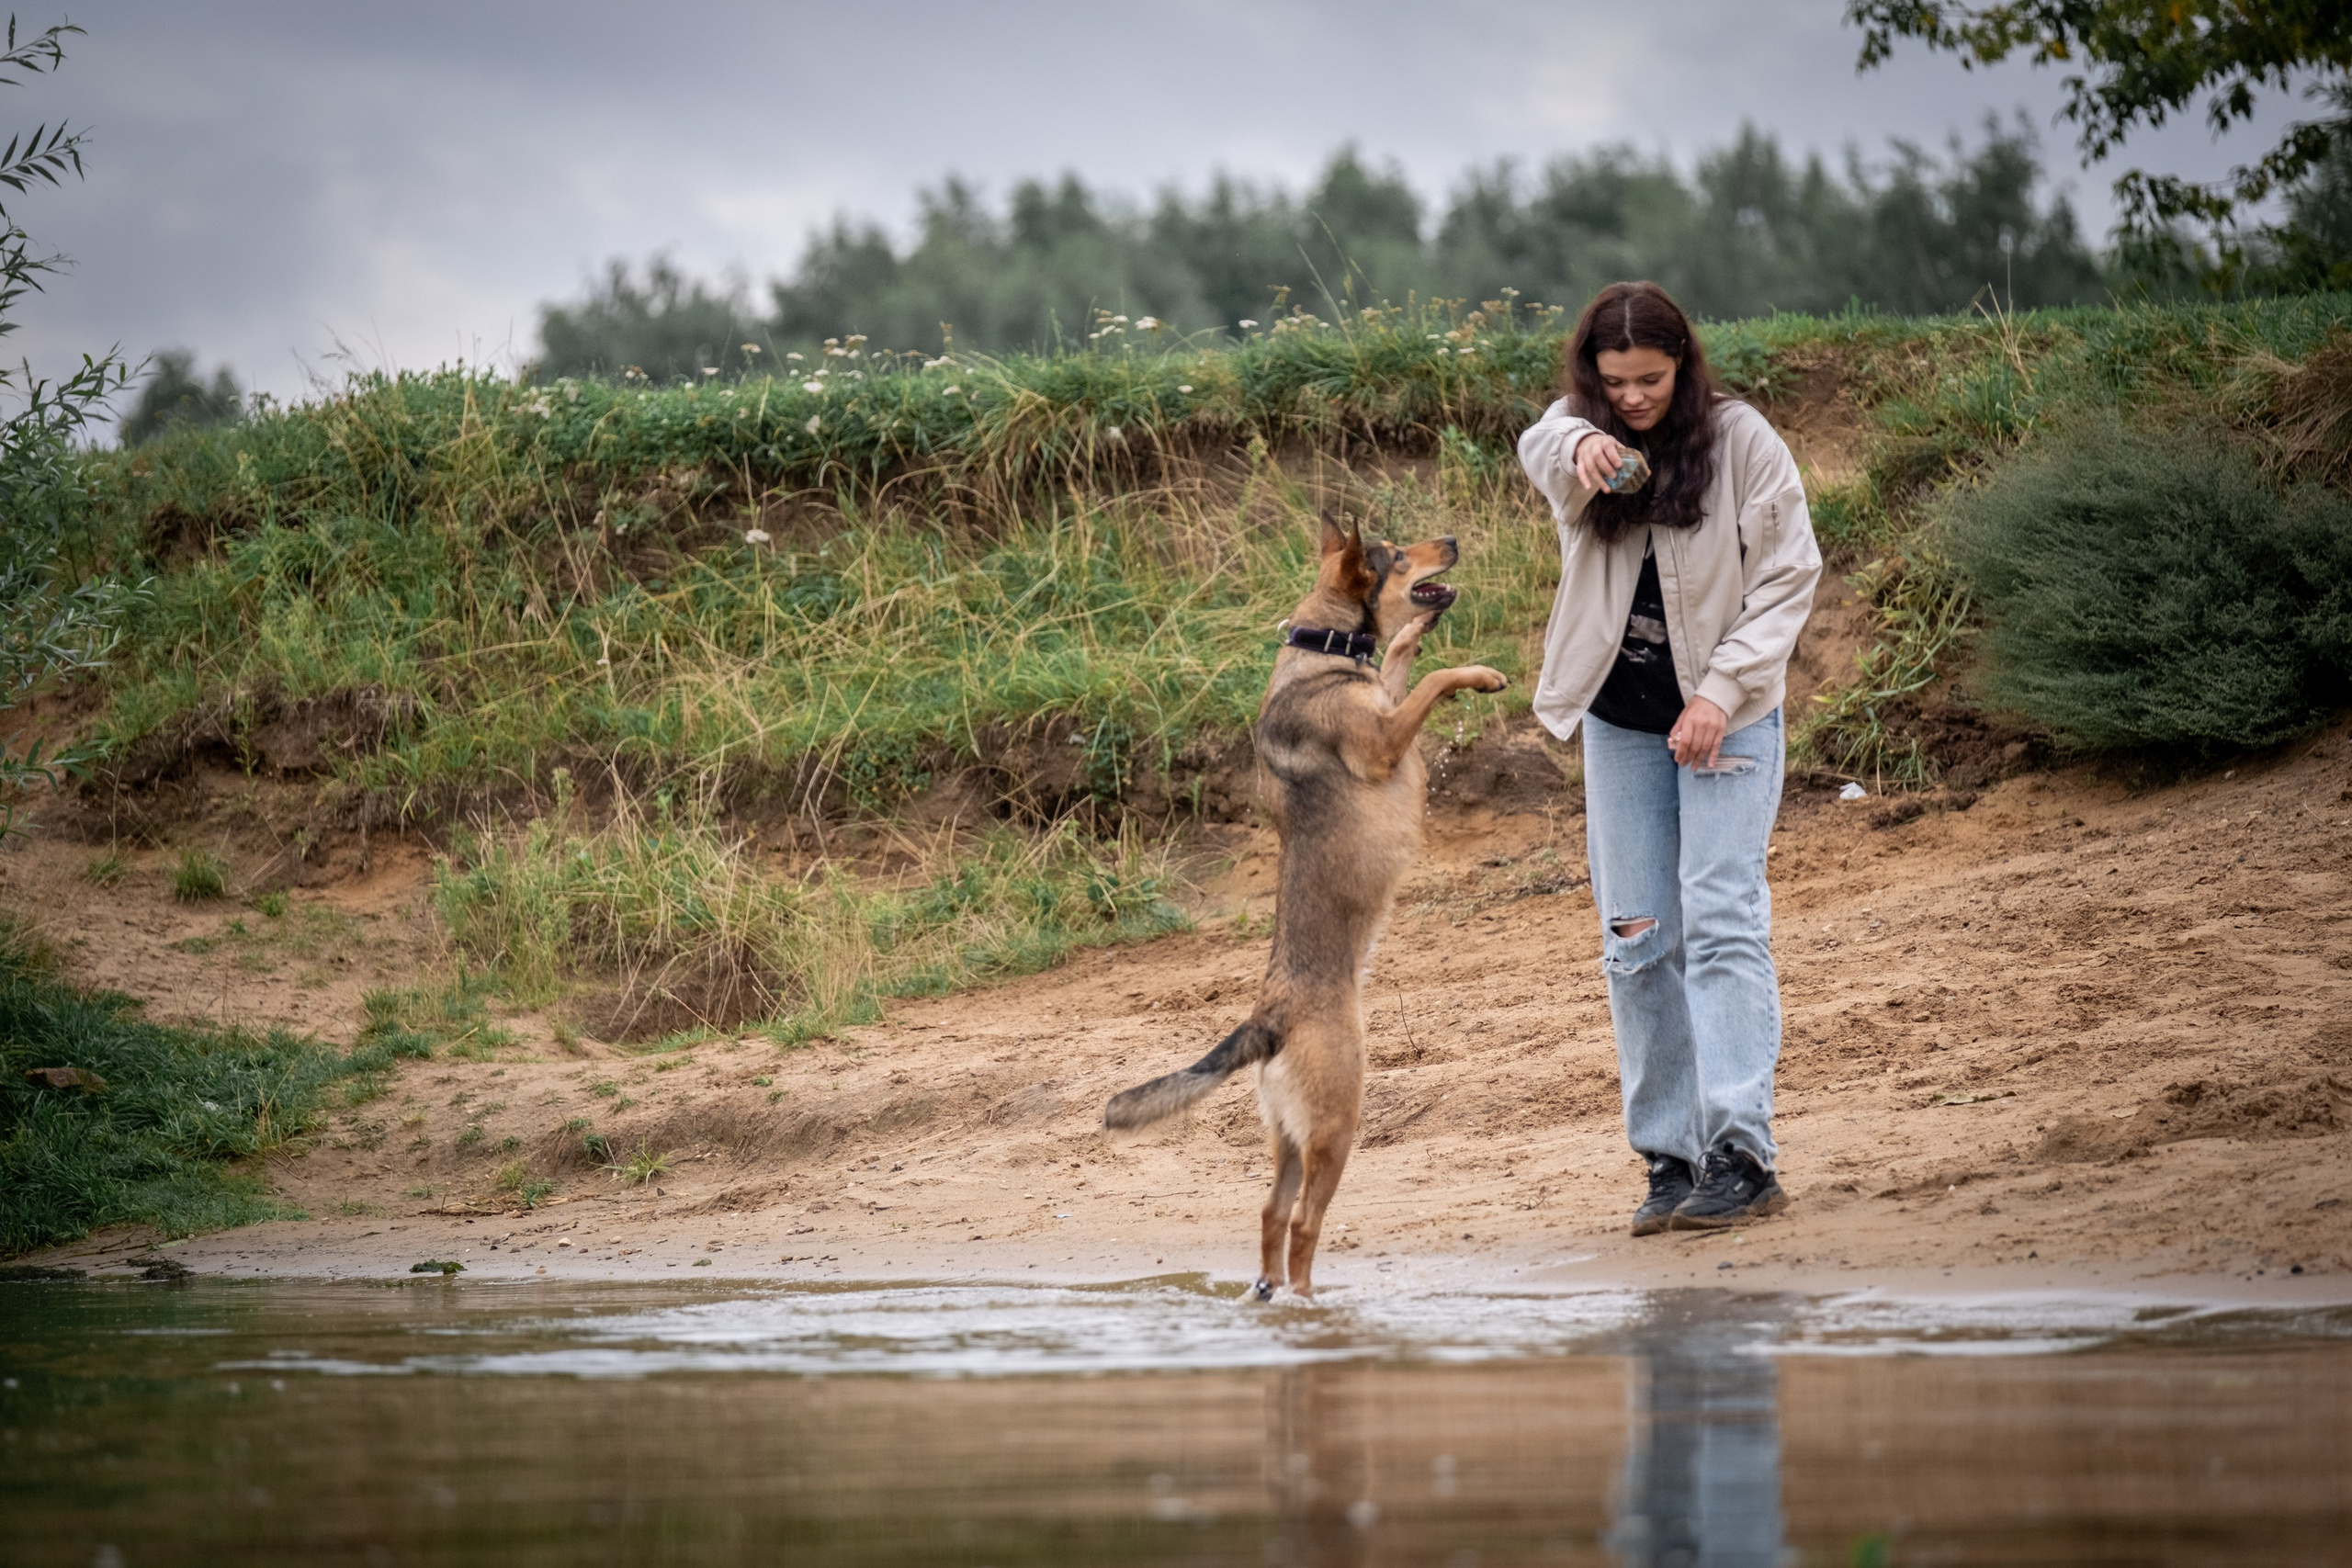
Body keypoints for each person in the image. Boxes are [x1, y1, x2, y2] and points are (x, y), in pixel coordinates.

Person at [1517, 281, 1821, 1235]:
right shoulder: (1581, 433)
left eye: (1650, 380)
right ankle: (1669, 1156)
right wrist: (1580, 439)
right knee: (1638, 939)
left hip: (1726, 720)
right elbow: (1538, 445)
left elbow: (1789, 575)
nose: (1634, 398)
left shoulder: (1741, 441)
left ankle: (1741, 1153)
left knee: (1723, 919)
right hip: (1620, 727)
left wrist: (1720, 693)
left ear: (1683, 365)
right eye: (1614, 383)